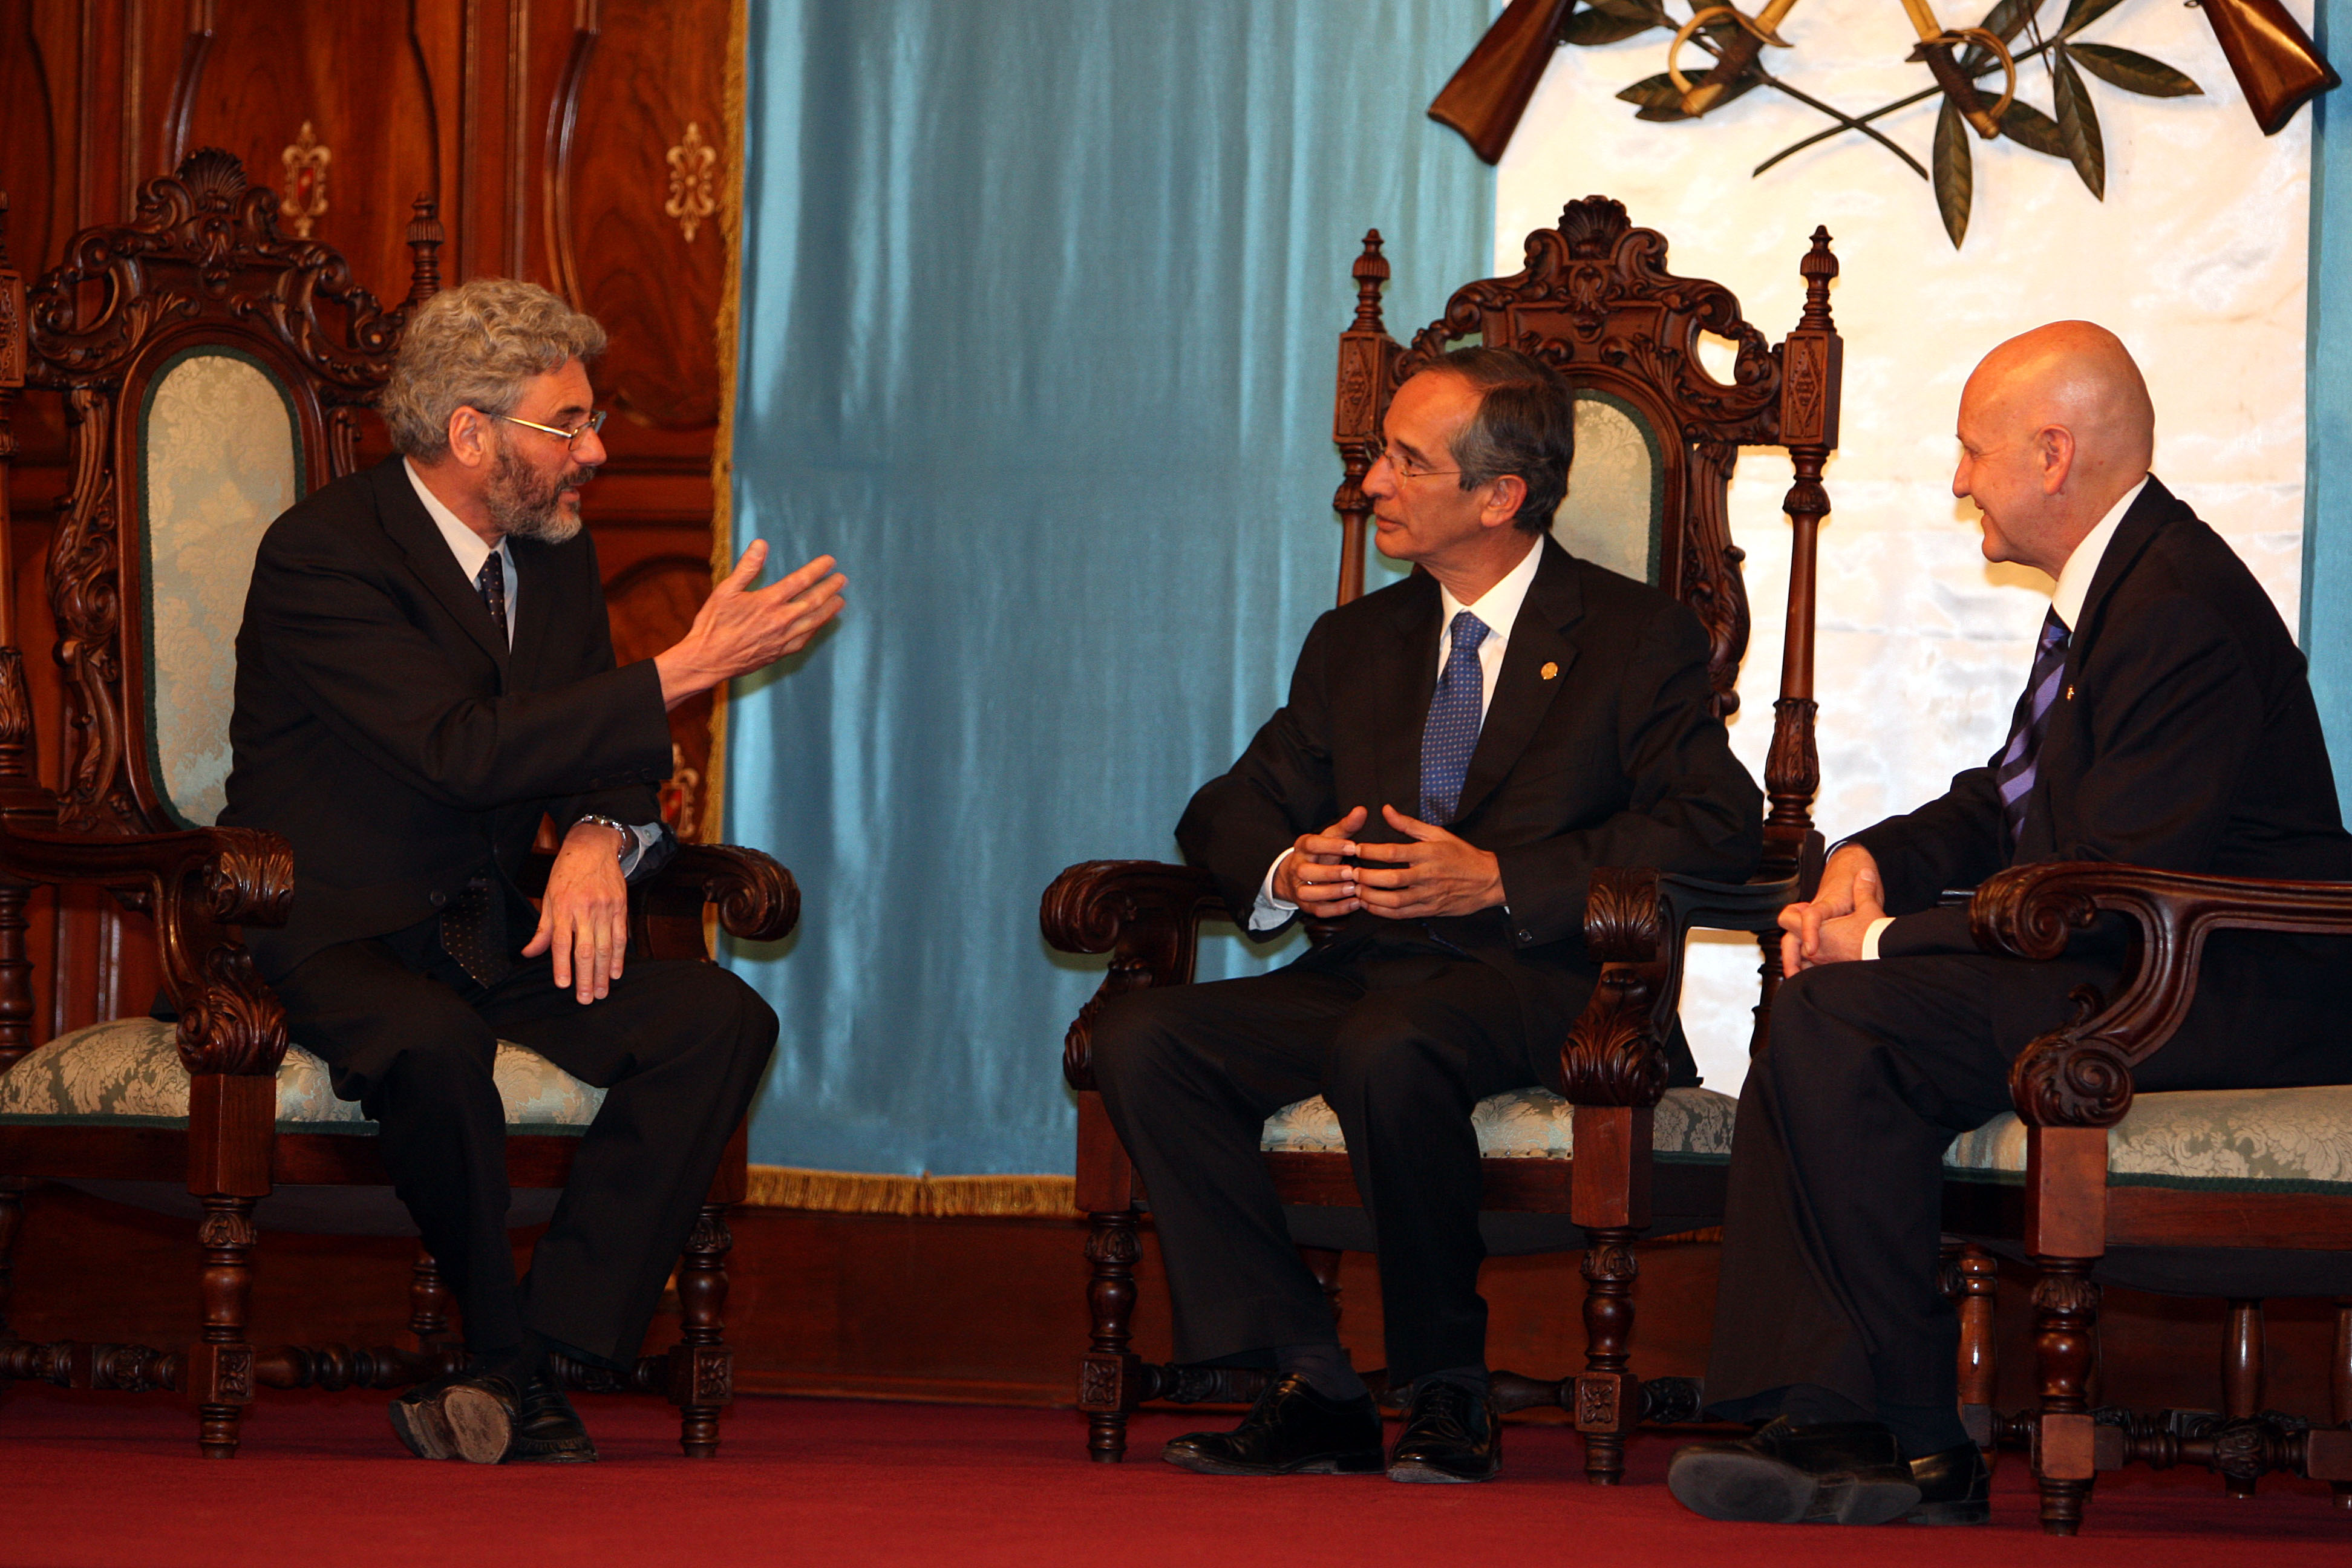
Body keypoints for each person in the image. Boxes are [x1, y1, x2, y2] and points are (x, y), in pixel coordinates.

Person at [1670, 322, 2352, 1526]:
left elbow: (2105, 879)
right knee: (1826, 1010)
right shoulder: (2128, 585)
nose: (1956, 479)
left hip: (2227, 985)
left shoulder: (2176, 607)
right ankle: (1832, 1411)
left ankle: (1914, 1446)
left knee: (1845, 1016)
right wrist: (1872, 862)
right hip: (2141, 957)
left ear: (2052, 453)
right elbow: (2013, 803)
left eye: (1971, 452)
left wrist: (1877, 943)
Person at [1090, 347, 1762, 1483]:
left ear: (1501, 496)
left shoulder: (1635, 637)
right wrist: (1287, 870)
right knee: (1142, 1036)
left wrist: (1501, 876)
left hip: (1551, 981)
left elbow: (1716, 828)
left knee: (1389, 1045)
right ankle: (1313, 1380)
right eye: (1378, 456)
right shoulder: (1359, 642)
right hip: (1366, 974)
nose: (1371, 486)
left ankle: (1446, 1388)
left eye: (1406, 461)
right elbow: (1228, 808)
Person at [221, 278, 846, 1464]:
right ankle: (505, 1363)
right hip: (337, 928)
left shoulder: (550, 555)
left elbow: (593, 751)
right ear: (471, 433)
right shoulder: (326, 557)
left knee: (714, 1018)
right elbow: (459, 751)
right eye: (569, 424)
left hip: (489, 924)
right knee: (434, 1048)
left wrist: (605, 840)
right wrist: (679, 672)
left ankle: (548, 1352)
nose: (595, 451)